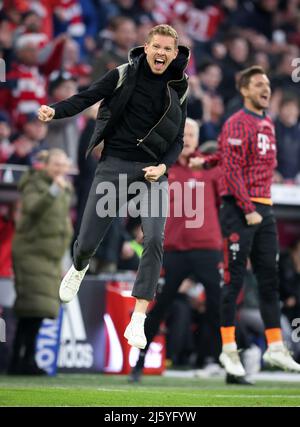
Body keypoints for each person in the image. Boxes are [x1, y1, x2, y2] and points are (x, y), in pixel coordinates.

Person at [38, 24, 190, 350]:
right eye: (157, 47)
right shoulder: (122, 73)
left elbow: (177, 139)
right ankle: (79, 266)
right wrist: (55, 111)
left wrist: (163, 166)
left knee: (153, 240)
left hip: (153, 172)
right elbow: (86, 97)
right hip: (115, 165)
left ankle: (138, 317)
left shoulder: (181, 87)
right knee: (86, 242)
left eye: (168, 49)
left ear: (174, 54)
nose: (161, 53)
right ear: (146, 47)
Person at [190, 65, 300, 376]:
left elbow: (226, 157)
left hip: (264, 207)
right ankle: (228, 350)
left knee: (269, 279)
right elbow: (233, 170)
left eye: (267, 84)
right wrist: (246, 205)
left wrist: (206, 159)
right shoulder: (237, 122)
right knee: (233, 280)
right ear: (244, 90)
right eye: (258, 85)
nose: (266, 89)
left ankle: (276, 348)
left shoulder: (267, 122)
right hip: (241, 209)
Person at [129, 118, 223, 381]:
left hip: (206, 247)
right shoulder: (163, 168)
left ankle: (212, 359)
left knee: (217, 304)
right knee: (158, 307)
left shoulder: (210, 165)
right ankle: (139, 362)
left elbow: (223, 203)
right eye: (185, 133)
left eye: (193, 133)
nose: (190, 138)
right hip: (174, 249)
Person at [8, 149, 73, 375]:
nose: (59, 168)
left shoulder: (65, 189)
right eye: (55, 163)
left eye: (63, 164)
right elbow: (34, 210)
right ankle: (21, 360)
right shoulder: (34, 184)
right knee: (32, 309)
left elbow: (61, 223)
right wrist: (54, 189)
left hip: (50, 258)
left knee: (36, 311)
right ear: (45, 164)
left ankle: (24, 359)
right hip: (31, 253)